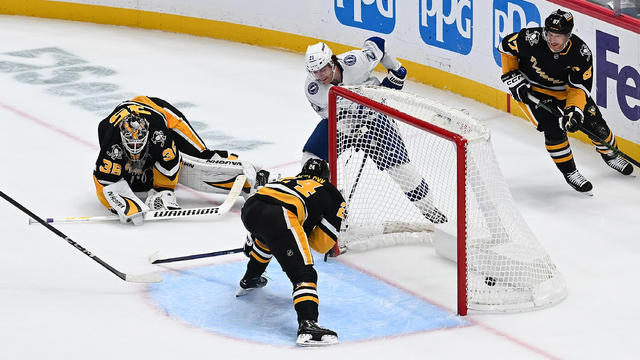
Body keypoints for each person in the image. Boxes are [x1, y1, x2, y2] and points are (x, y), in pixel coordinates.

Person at [303, 38, 446, 223]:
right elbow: (331, 115)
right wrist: (353, 125)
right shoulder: (313, 89)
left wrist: (396, 68)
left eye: (323, 69)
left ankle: (430, 211)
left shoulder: (355, 61)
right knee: (311, 160)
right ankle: (328, 207)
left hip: (374, 119)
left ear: (332, 62)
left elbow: (378, 43)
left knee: (402, 170)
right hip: (340, 123)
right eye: (315, 72)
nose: (320, 76)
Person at [499, 9, 633, 194]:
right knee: (554, 131)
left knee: (596, 126)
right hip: (535, 92)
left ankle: (611, 155)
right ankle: (570, 173)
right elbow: (505, 46)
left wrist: (574, 111)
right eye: (550, 34)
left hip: (566, 93)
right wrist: (511, 75)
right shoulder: (532, 38)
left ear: (568, 36)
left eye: (558, 36)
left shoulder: (580, 53)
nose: (552, 40)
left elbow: (577, 89)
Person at [93, 95, 268, 224]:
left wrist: (165, 191)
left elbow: (170, 164)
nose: (135, 147)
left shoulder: (158, 135)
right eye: (131, 143)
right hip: (121, 126)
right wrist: (117, 204)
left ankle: (244, 171)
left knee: (201, 156)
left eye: (139, 143)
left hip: (162, 115)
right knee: (140, 184)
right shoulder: (112, 144)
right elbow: (104, 180)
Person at [236, 158, 345, 346]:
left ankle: (250, 278)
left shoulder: (287, 180)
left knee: (268, 240)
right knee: (303, 272)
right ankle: (308, 324)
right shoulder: (332, 193)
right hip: (281, 215)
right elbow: (322, 245)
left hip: (251, 209)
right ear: (326, 177)